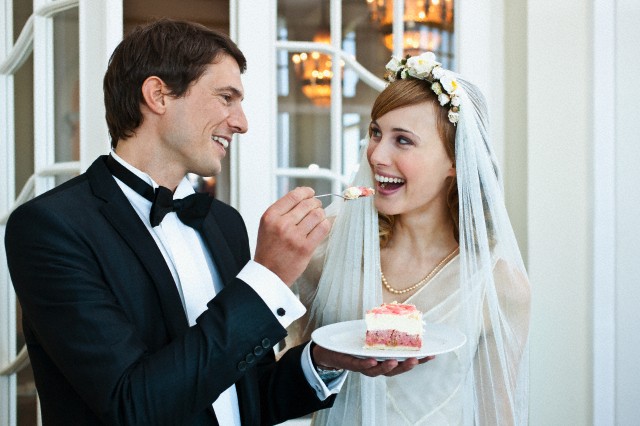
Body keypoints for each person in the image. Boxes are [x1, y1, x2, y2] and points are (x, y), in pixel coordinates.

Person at [4, 19, 420, 426]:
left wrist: (323, 359)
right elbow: (132, 405)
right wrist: (267, 277)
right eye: (226, 97)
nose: (242, 122)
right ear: (159, 95)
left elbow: (245, 394)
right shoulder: (49, 227)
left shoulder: (224, 224)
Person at [285, 52, 531, 425]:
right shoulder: (327, 247)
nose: (376, 155)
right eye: (375, 133)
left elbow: (497, 413)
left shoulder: (499, 284)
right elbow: (280, 375)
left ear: (455, 161)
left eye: (403, 140)